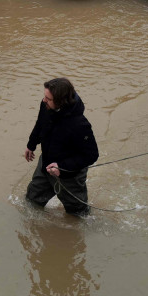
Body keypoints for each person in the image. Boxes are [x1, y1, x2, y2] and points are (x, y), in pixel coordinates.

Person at [24, 78, 99, 216]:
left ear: (61, 101)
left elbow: (92, 155)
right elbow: (40, 123)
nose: (44, 100)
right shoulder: (46, 105)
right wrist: (31, 145)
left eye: (48, 98)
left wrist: (62, 166)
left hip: (69, 175)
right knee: (31, 200)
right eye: (44, 96)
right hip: (46, 164)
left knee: (78, 215)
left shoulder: (80, 125)